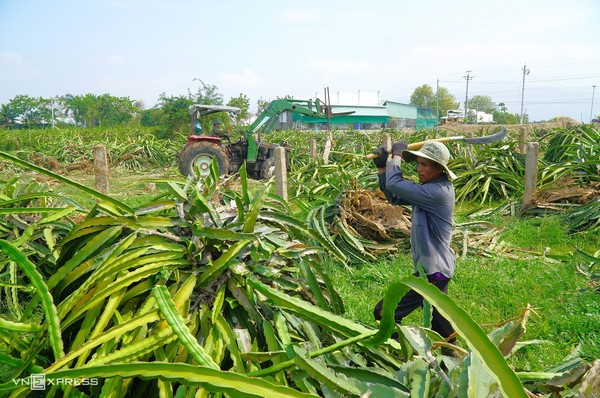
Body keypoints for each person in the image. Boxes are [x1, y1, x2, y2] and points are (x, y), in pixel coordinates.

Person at [372, 140, 458, 350]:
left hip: (432, 273)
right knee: (440, 319)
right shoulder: (428, 190)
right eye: (418, 164)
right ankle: (452, 354)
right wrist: (384, 168)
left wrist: (397, 156)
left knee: (385, 312)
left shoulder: (438, 193)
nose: (419, 169)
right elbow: (394, 196)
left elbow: (395, 184)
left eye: (425, 165)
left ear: (439, 168)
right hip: (438, 269)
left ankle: (396, 351)